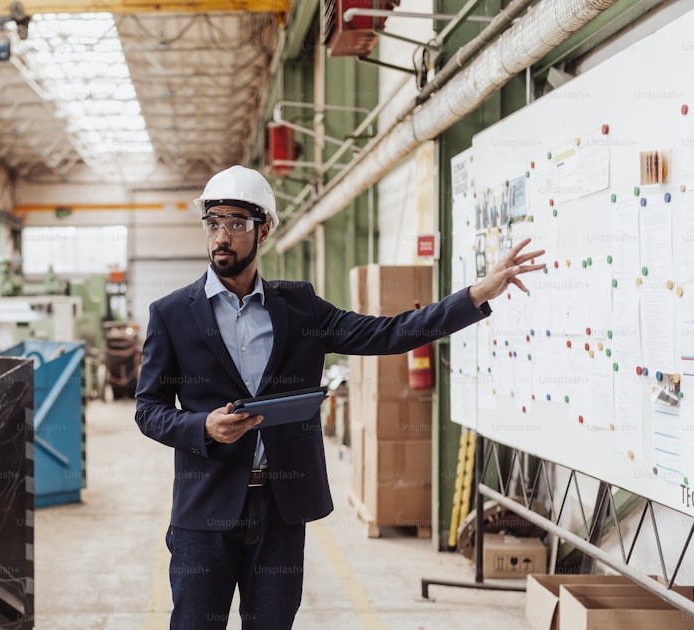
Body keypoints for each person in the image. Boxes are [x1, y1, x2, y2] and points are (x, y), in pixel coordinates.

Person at [134, 165, 545, 629]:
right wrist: (202, 427)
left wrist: (473, 296)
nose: (220, 236)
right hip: (204, 510)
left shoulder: (299, 306)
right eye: (212, 224)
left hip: (280, 507)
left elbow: (387, 334)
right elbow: (148, 411)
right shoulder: (172, 314)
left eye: (235, 223)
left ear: (263, 229)